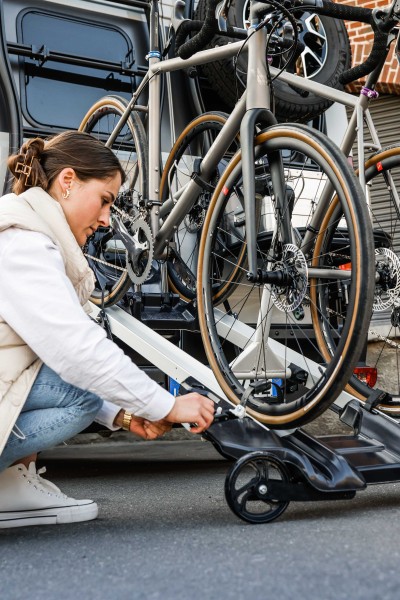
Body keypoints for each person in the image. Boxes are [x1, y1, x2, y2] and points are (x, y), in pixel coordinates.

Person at [0, 131, 215, 529]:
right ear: (67, 182)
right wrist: (165, 405)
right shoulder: (23, 243)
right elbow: (74, 351)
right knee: (81, 391)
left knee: (77, 386)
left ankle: (10, 482)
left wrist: (122, 414)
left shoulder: (25, 231)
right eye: (105, 201)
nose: (105, 221)